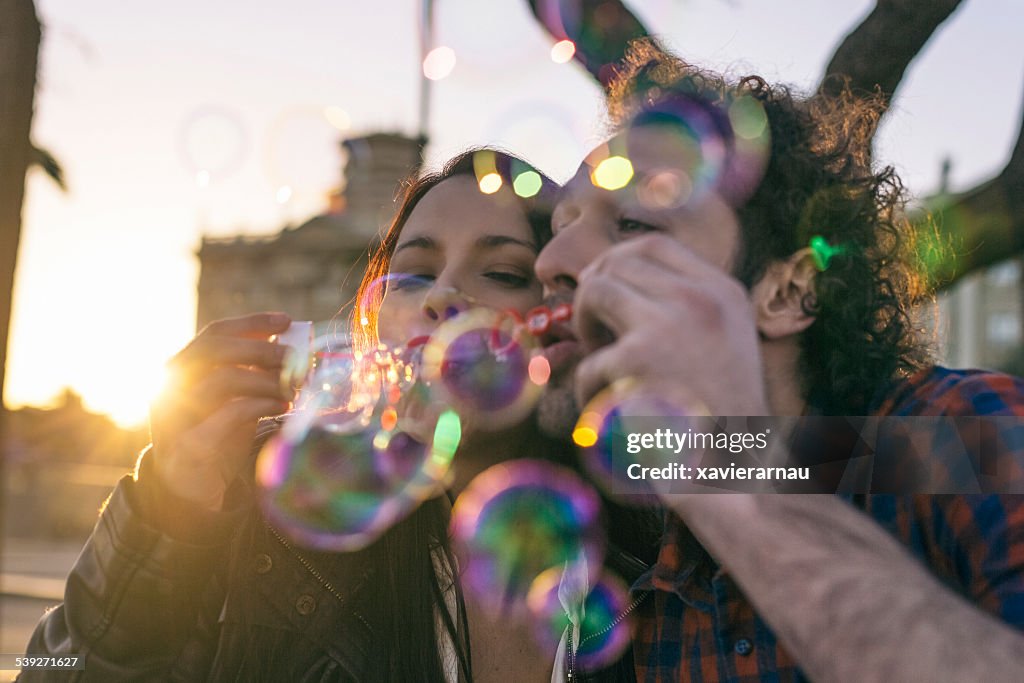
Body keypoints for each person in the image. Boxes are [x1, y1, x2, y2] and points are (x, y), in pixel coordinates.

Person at [531, 39, 1024, 681]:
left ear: (787, 292)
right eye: (559, 227)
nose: (550, 264)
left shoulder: (971, 434)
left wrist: (739, 482)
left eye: (630, 224)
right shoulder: (648, 600)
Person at [21, 149, 566, 682]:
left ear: (564, 313)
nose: (442, 294)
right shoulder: (253, 505)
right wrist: (171, 508)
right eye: (415, 273)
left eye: (501, 271)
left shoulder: (643, 561)